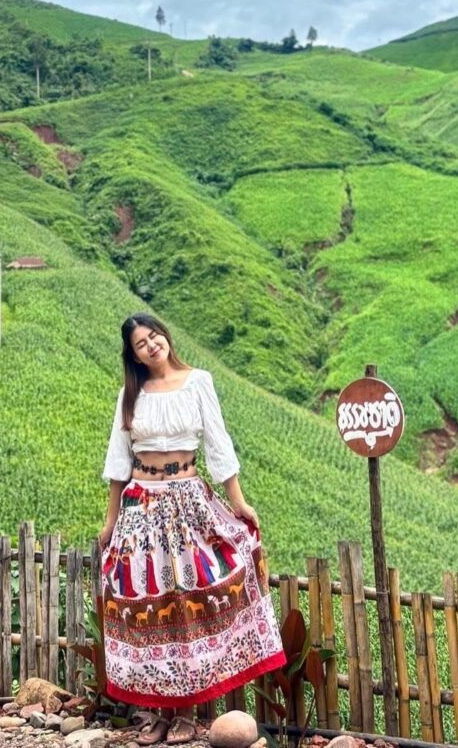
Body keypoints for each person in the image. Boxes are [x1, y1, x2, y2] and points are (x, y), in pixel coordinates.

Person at [100, 313, 285, 745]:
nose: (151, 345)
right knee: (150, 604)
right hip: (141, 506)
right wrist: (110, 521)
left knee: (186, 602)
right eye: (141, 343)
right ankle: (157, 713)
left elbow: (219, 444)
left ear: (165, 336)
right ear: (134, 356)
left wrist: (238, 502)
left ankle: (185, 713)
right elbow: (118, 461)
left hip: (188, 502)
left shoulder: (198, 382)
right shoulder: (130, 395)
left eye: (154, 336)